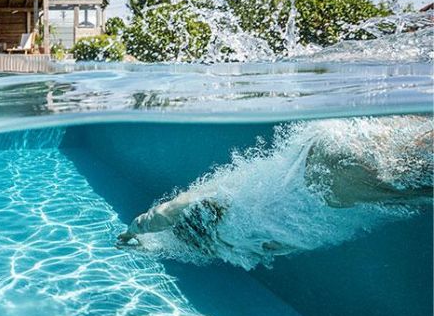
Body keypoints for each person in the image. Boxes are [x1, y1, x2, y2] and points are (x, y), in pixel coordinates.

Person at [116, 116, 433, 250]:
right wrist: (133, 229)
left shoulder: (249, 245)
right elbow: (161, 215)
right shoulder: (222, 198)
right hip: (315, 153)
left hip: (333, 186)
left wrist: (137, 240)